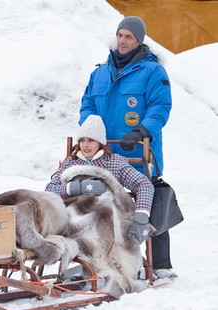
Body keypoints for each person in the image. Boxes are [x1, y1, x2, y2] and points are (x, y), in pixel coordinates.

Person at [78, 16, 176, 279]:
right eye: (120, 35)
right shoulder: (99, 72)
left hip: (138, 152)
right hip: (103, 155)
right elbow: (87, 105)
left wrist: (141, 131)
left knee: (150, 200)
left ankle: (161, 265)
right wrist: (90, 130)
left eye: (129, 37)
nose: (123, 41)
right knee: (98, 204)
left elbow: (160, 107)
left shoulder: (153, 72)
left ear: (139, 40)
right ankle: (100, 258)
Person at [45, 115, 154, 247]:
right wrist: (75, 187)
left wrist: (142, 216)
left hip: (105, 219)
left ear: (100, 142)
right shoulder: (71, 162)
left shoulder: (113, 162)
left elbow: (144, 184)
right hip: (74, 216)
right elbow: (49, 190)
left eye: (91, 140)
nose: (85, 145)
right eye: (82, 140)